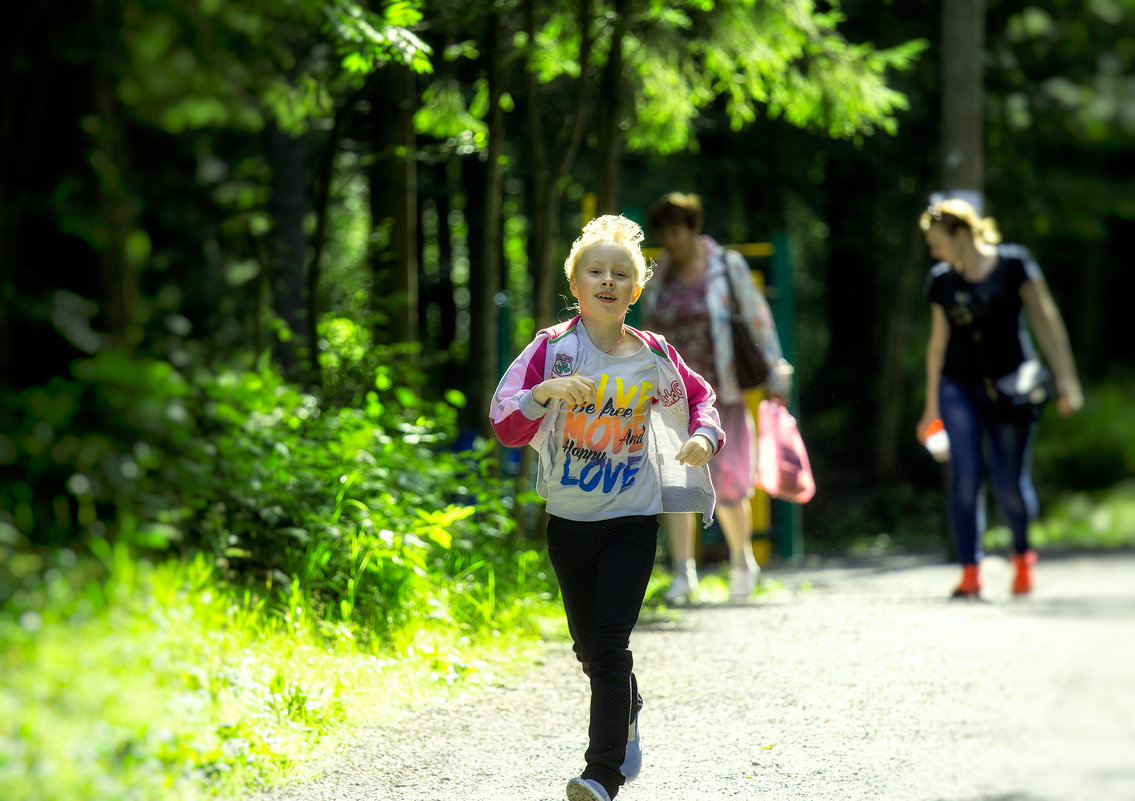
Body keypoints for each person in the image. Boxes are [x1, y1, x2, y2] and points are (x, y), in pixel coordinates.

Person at [488, 214, 725, 801]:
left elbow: (701, 400)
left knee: (611, 643)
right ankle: (628, 708)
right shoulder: (552, 350)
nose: (608, 280)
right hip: (568, 522)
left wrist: (703, 438)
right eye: (596, 270)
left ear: (635, 291)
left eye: (622, 274)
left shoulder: (653, 354)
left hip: (631, 518)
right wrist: (544, 393)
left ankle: (603, 773)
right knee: (588, 648)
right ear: (576, 284)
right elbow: (505, 422)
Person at [917, 198, 1083, 598]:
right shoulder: (942, 280)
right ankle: (971, 570)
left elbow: (1046, 320)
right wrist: (931, 406)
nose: (933, 252)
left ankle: (1022, 555)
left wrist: (1067, 380)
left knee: (1009, 484)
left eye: (937, 242)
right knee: (965, 478)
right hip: (958, 387)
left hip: (1015, 387)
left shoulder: (1014, 265)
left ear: (961, 234)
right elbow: (937, 345)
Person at [640, 192, 792, 603]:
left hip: (720, 391)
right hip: (672, 395)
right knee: (675, 481)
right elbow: (648, 331)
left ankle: (742, 561)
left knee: (726, 480)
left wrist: (777, 367)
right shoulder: (659, 275)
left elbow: (758, 315)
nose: (670, 240)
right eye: (664, 233)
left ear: (693, 227)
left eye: (676, 230)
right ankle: (683, 573)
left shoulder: (726, 266)